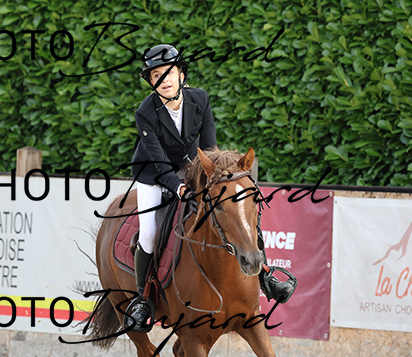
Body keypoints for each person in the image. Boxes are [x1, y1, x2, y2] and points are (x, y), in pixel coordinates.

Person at [125, 44, 295, 333]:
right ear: (151, 82)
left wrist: (214, 176)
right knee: (150, 233)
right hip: (153, 174)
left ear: (181, 75)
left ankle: (265, 277)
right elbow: (160, 162)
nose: (164, 79)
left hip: (193, 167)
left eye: (169, 73)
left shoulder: (200, 99)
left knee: (239, 210)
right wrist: (179, 188)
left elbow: (210, 147)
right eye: (156, 75)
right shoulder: (145, 112)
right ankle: (143, 298)